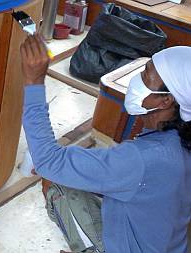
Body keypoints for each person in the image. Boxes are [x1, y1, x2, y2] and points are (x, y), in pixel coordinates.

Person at [20, 34, 191, 253]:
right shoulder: (180, 139)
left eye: (146, 76)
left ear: (166, 100)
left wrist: (33, 82)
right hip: (165, 244)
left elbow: (47, 160)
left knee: (54, 183)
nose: (137, 78)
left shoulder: (142, 159)